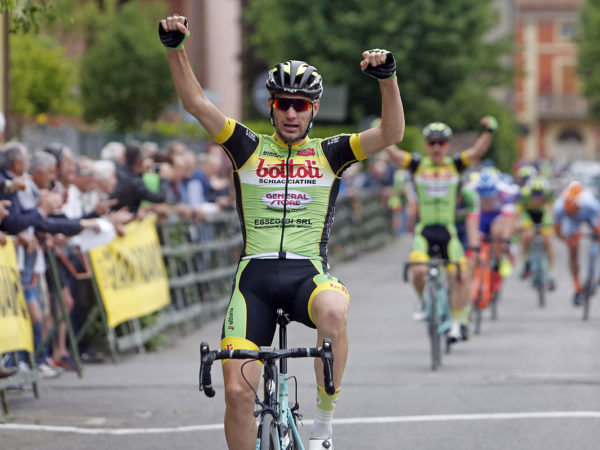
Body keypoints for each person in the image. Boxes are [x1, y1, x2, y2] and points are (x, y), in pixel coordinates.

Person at [160, 14, 404, 450]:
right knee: (238, 395)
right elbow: (196, 103)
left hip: (306, 276)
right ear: (271, 107)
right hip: (253, 282)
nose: (291, 113)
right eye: (283, 104)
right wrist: (176, 49)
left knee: (334, 310)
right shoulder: (247, 147)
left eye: (301, 105)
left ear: (314, 110)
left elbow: (391, 132)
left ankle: (323, 425)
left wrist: (387, 80)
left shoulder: (331, 152)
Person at [384, 118, 497, 342]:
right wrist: (382, 128)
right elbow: (394, 154)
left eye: (441, 143)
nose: (436, 147)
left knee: (459, 275)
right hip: (424, 230)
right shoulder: (417, 165)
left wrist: (489, 130)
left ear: (448, 145)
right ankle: (423, 301)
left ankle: (457, 321)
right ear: (426, 145)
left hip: (448, 231)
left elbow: (477, 151)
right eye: (432, 142)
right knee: (417, 271)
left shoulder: (455, 164)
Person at [553, 181, 600, 305]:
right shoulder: (559, 208)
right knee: (573, 249)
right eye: (569, 212)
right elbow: (558, 233)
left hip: (589, 215)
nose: (571, 214)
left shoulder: (591, 204)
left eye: (573, 212)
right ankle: (577, 288)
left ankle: (594, 274)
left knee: (597, 235)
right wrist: (568, 239)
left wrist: (596, 232)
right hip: (572, 223)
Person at [517, 175, 556, 289]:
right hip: (529, 215)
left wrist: (551, 224)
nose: (537, 197)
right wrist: (519, 224)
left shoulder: (549, 196)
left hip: (542, 215)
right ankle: (525, 261)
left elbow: (551, 212)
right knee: (527, 235)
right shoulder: (524, 196)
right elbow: (518, 213)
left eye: (540, 193)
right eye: (535, 193)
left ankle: (551, 271)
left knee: (548, 240)